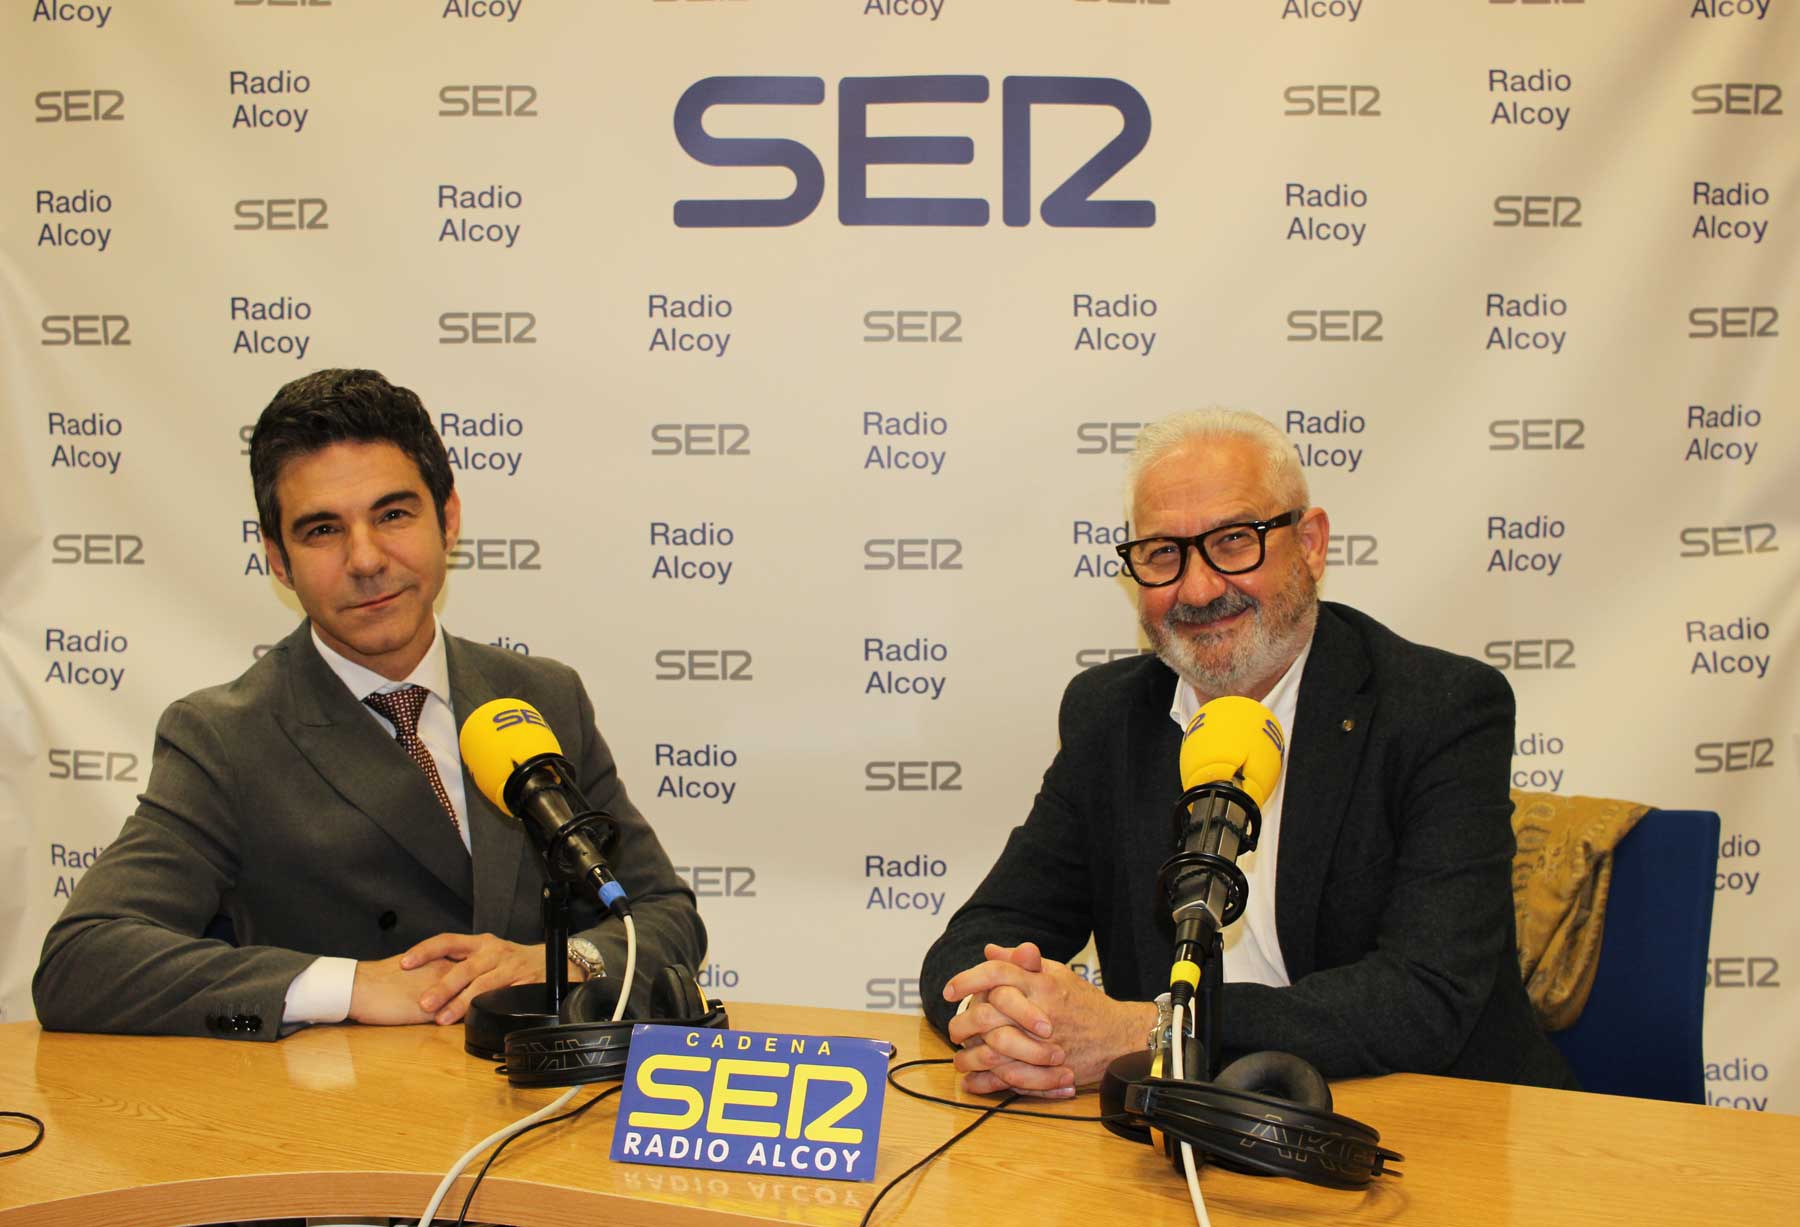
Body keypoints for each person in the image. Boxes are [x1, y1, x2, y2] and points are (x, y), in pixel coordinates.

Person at [919, 408, 1572, 1096]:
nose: (1198, 588)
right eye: (1164, 553)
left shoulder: (1440, 708)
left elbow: (1423, 997)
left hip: (1423, 1125)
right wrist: (1003, 1017)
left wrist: (1151, 1030)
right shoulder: (1111, 714)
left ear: (1312, 543)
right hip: (1179, 1135)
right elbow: (980, 936)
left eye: (1234, 541)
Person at [34, 369, 704, 1039]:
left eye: (392, 514)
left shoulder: (540, 695)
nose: (365, 558)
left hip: (541, 1110)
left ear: (448, 519)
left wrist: (560, 963)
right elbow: (81, 960)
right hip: (344, 1126)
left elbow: (662, 910)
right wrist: (348, 983)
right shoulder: (223, 737)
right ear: (277, 559)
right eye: (322, 529)